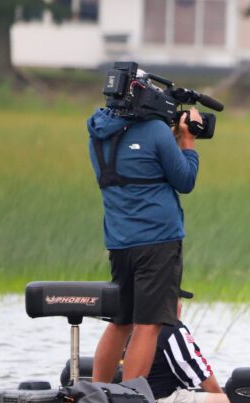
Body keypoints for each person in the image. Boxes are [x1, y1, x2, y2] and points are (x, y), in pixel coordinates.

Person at [88, 93, 202, 383]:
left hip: (119, 241)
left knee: (120, 322)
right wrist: (188, 142)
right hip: (158, 241)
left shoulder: (98, 133)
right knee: (148, 325)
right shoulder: (155, 131)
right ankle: (130, 402)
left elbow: (140, 165)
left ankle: (98, 395)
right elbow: (185, 180)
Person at [148, 290, 234, 403]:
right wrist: (220, 396)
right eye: (178, 299)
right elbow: (197, 369)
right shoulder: (172, 328)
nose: (181, 305)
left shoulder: (135, 328)